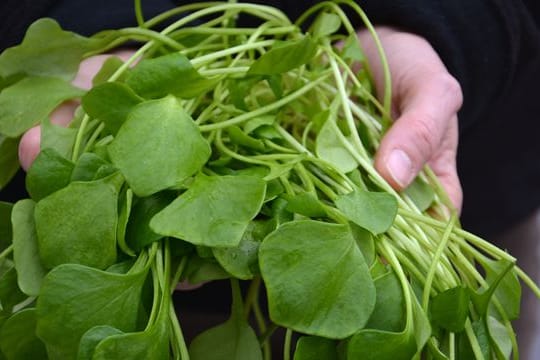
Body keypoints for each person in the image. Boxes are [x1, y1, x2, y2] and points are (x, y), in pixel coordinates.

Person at [1, 0, 539, 357]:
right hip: (140, 86)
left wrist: (447, 27)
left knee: (454, 294)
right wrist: (88, 19)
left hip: (481, 156)